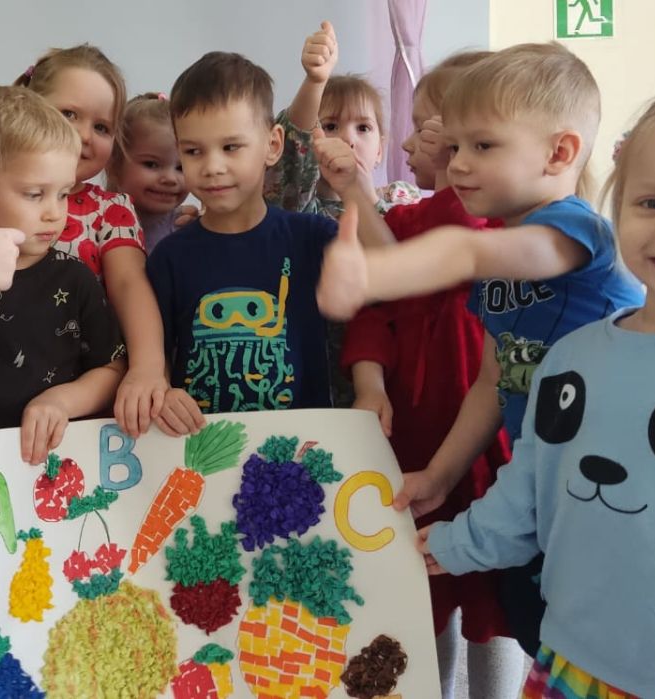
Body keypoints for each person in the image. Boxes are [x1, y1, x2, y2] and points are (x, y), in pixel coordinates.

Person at [420, 84, 655, 698]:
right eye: (652, 202)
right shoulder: (571, 356)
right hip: (573, 657)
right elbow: (529, 487)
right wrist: (460, 542)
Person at [317, 42, 645, 655]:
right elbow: (494, 382)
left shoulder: (573, 230)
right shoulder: (499, 266)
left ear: (559, 153)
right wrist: (440, 475)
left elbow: (466, 253)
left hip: (615, 482)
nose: (459, 163)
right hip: (544, 479)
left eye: (482, 146)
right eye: (455, 146)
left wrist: (372, 275)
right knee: (535, 624)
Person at [0, 86, 127, 698]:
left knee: (51, 627)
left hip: (53, 499)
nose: (54, 213)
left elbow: (112, 369)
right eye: (35, 194)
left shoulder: (75, 279)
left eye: (63, 194)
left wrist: (64, 400)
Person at [339, 50, 525, 698]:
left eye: (423, 126)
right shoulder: (403, 217)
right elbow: (373, 304)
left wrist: (440, 168)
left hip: (483, 433)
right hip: (418, 434)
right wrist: (370, 383)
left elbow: (445, 234)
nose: (408, 142)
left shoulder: (496, 221)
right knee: (424, 576)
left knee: (492, 587)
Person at [145, 51, 358, 435]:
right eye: (193, 151)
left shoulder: (312, 238)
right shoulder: (169, 257)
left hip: (304, 445)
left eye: (230, 147)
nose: (212, 166)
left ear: (273, 145)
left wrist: (355, 187)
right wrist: (161, 388)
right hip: (198, 448)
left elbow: (388, 275)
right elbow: (152, 352)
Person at [264, 20, 421, 409]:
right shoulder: (303, 208)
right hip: (318, 376)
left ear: (380, 148)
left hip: (397, 377)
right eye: (331, 126)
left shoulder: (401, 201)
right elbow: (290, 157)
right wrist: (314, 81)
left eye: (363, 128)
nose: (348, 138)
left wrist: (362, 195)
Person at [19, 45, 167, 438]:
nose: (84, 135)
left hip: (85, 399)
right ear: (27, 107)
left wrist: (147, 368)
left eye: (102, 127)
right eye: (69, 114)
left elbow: (129, 283)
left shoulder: (111, 209)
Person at [106, 92, 189, 254]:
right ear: (114, 165)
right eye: (151, 164)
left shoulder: (186, 229)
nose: (170, 179)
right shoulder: (91, 223)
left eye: (181, 168)